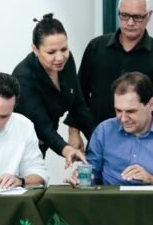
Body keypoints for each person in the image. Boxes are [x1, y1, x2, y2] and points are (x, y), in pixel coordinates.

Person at [66, 0, 153, 135]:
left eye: (137, 17)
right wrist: (73, 131)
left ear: (149, 16)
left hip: (144, 140)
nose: (130, 22)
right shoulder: (96, 48)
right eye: (124, 15)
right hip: (98, 137)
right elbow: (79, 94)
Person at [69, 72, 153, 186]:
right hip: (110, 202)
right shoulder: (104, 131)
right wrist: (81, 178)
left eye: (131, 111)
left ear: (151, 104)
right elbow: (91, 174)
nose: (123, 119)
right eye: (118, 110)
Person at [12, 13, 95, 161]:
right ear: (35, 49)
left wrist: (99, 141)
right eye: (51, 52)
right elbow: (42, 126)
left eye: (64, 49)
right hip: (21, 145)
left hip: (45, 139)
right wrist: (67, 149)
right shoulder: (23, 77)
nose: (60, 57)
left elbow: (78, 106)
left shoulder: (66, 62)